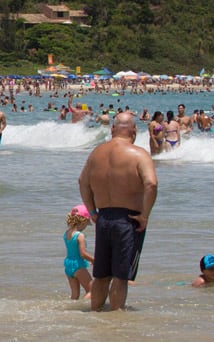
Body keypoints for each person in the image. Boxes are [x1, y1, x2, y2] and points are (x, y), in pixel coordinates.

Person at [77, 111, 158, 311]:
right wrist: (145, 216)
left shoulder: (97, 153)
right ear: (134, 131)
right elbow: (151, 184)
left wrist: (92, 212)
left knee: (101, 275)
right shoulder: (139, 154)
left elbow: (82, 182)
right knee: (121, 277)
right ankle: (115, 319)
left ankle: (95, 313)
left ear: (112, 129)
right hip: (128, 219)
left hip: (104, 217)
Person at [63, 205, 95, 300]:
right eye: (86, 224)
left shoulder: (66, 233)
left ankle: (72, 311)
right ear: (83, 221)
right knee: (92, 291)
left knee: (75, 295)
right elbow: (83, 254)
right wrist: (94, 260)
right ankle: (82, 308)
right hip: (78, 266)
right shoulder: (79, 235)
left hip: (68, 265)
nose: (86, 226)